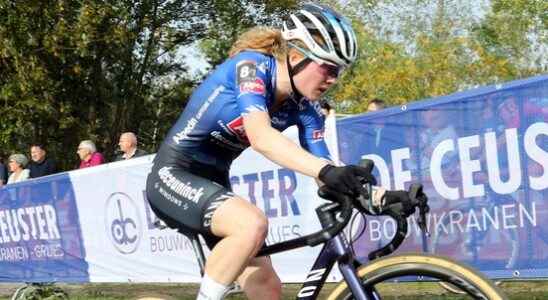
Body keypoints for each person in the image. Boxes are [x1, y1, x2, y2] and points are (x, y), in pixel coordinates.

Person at [146, 4, 377, 300]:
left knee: (267, 286)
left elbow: (327, 168)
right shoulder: (251, 67)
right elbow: (261, 137)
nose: (334, 79)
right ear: (296, 57)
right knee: (252, 224)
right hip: (173, 173)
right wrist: (325, 171)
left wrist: (380, 195)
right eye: (329, 67)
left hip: (214, 183)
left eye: (340, 71)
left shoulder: (306, 109)